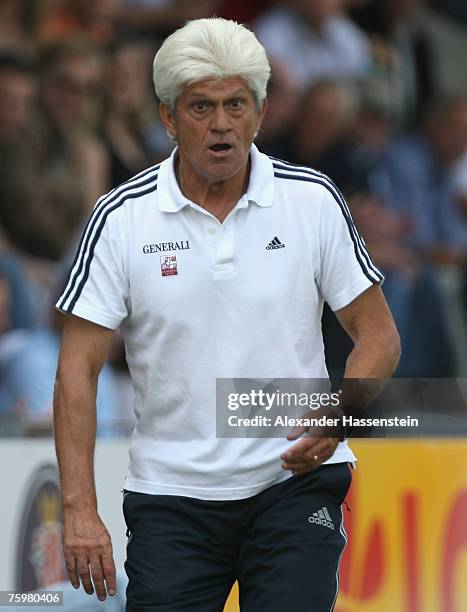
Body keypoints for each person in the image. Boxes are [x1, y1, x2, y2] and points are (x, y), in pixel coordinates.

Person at [53, 17, 401, 611]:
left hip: (294, 486)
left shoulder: (312, 200)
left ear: (260, 113)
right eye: (201, 107)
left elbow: (379, 336)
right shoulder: (120, 217)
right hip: (170, 498)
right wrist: (80, 508)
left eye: (237, 104)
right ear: (168, 117)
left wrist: (341, 410)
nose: (221, 124)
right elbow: (76, 372)